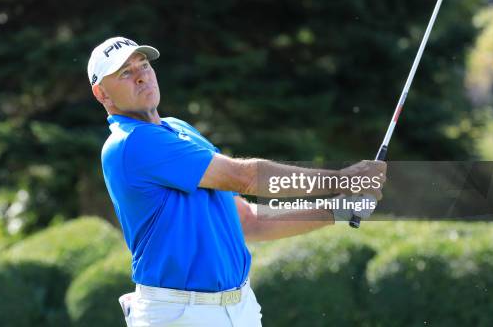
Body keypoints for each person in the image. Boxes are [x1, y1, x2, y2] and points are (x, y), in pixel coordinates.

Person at [87, 36, 386, 327]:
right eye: (126, 73)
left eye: (144, 66)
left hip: (238, 308)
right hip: (180, 314)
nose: (141, 77)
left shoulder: (180, 130)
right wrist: (344, 180)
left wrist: (339, 209)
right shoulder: (130, 143)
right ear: (102, 94)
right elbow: (244, 178)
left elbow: (249, 221)